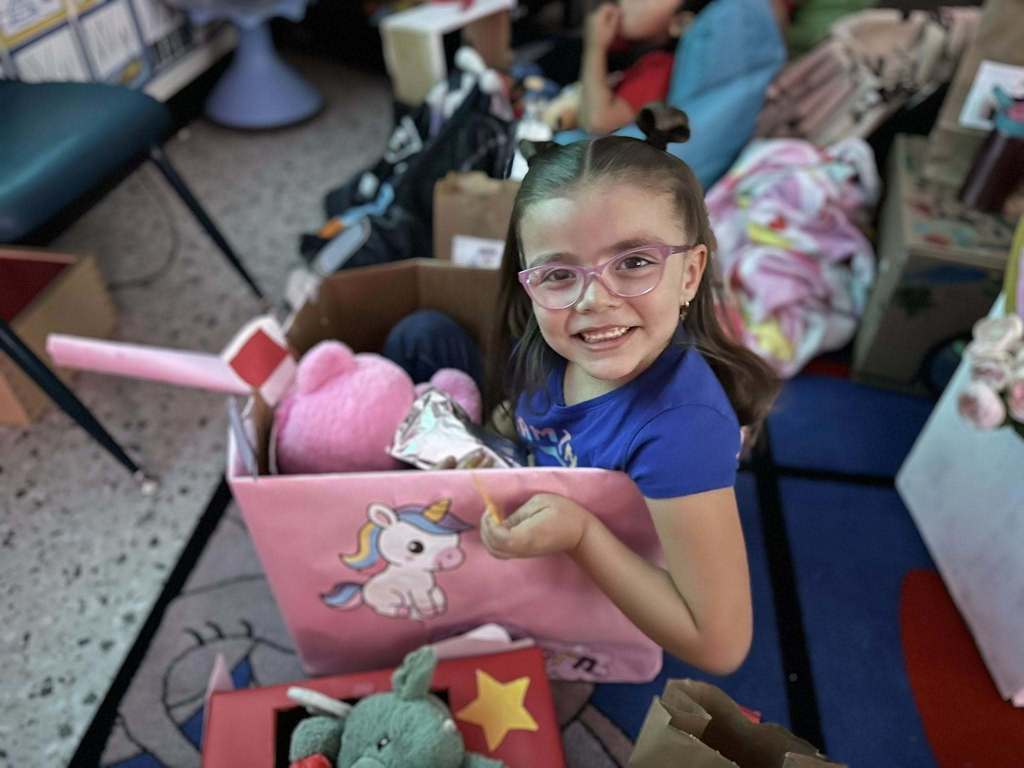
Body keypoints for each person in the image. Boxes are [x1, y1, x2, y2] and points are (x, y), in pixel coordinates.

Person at [382, 104, 780, 672]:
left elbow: (720, 646)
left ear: (690, 274)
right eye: (559, 273)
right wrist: (490, 431)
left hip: (573, 570)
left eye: (635, 262)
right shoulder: (557, 336)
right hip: (514, 479)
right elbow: (519, 407)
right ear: (529, 283)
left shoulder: (683, 429)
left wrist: (582, 536)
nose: (595, 299)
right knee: (422, 335)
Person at [542, 0, 695, 135]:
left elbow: (598, 123)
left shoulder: (660, 67)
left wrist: (596, 47)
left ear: (679, 23)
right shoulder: (627, 44)